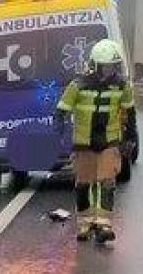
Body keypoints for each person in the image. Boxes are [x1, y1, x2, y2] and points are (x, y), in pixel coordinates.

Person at [54, 39, 138, 243]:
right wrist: (60, 125)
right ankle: (85, 224)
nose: (110, 70)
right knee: (83, 184)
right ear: (96, 65)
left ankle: (104, 226)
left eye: (113, 66)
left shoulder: (121, 85)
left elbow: (129, 112)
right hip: (84, 143)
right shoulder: (78, 85)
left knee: (107, 183)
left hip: (109, 141)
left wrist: (130, 136)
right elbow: (62, 109)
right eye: (107, 66)